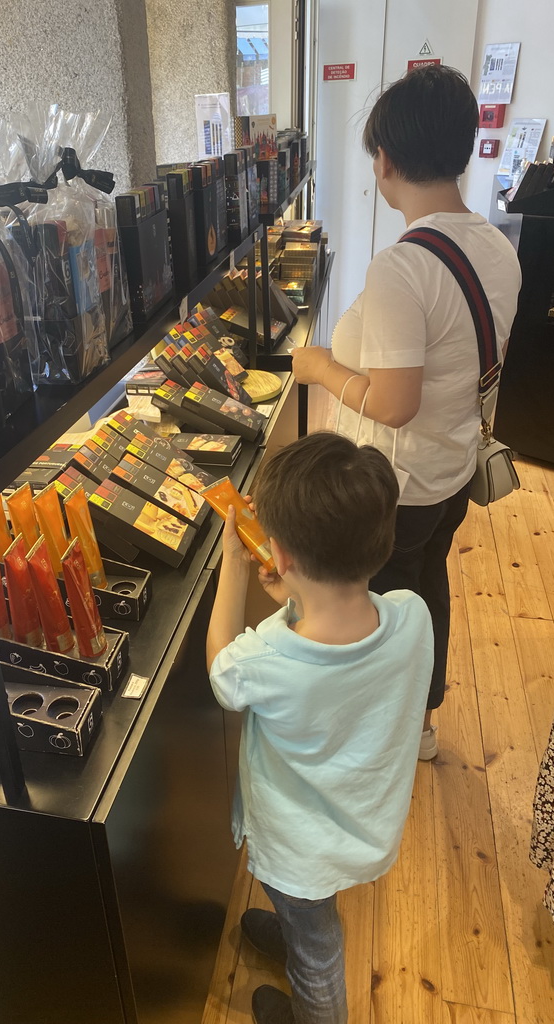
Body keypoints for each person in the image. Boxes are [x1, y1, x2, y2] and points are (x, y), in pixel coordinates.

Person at [291, 65, 521, 759]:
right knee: (423, 593)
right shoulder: (496, 247)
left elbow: (393, 404)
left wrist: (321, 364)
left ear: (385, 160)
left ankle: (381, 742)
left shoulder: (403, 267)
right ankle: (420, 724)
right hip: (451, 470)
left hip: (396, 485)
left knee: (380, 612)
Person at [206, 431, 434, 1024]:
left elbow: (221, 669)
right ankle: (290, 927)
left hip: (299, 845)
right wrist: (298, 596)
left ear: (279, 556)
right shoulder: (414, 615)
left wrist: (233, 566)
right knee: (305, 914)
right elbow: (343, 641)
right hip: (360, 820)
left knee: (319, 949)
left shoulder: (268, 662)